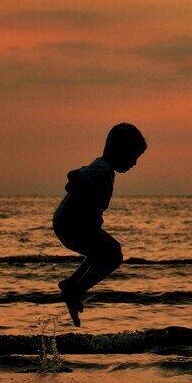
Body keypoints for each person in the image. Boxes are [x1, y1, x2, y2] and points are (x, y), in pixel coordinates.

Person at [53, 123, 146, 326]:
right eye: (133, 157)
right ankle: (76, 289)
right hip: (72, 224)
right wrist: (81, 190)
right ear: (119, 151)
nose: (134, 163)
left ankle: (72, 284)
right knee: (113, 254)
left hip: (67, 224)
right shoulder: (102, 170)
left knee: (102, 253)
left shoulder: (103, 168)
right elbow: (74, 178)